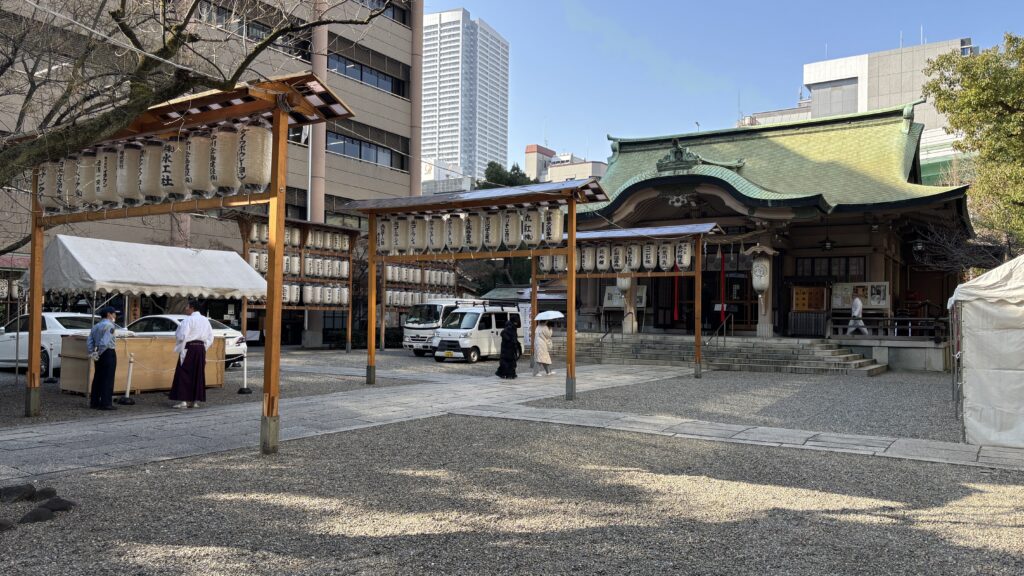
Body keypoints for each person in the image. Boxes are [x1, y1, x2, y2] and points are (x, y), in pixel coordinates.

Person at [169, 300, 215, 409]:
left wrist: (181, 345)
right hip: (200, 349)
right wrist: (203, 347)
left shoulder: (188, 320)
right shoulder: (205, 320)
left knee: (184, 373)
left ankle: (184, 401)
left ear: (192, 308)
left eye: (187, 306)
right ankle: (195, 401)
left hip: (189, 348)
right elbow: (210, 337)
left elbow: (182, 335)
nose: (186, 309)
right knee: (198, 373)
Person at [87, 306, 119, 411]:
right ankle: (106, 403)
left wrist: (93, 352)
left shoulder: (96, 326)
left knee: (98, 377)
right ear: (109, 314)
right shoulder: (110, 326)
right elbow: (105, 342)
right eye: (114, 313)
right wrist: (100, 352)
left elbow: (89, 340)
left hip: (97, 353)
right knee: (108, 378)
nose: (115, 315)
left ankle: (94, 402)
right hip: (108, 352)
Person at [495, 315, 519, 380]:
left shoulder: (513, 327)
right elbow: (503, 334)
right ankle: (508, 374)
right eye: (516, 321)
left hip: (509, 347)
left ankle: (508, 374)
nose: (517, 322)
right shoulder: (509, 327)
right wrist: (510, 340)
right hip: (507, 348)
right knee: (508, 361)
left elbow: (514, 337)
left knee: (509, 361)